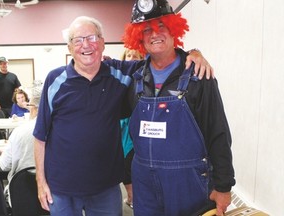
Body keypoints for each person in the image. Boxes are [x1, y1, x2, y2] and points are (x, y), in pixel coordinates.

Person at [33, 16, 213, 216]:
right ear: (69, 47)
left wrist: (193, 53)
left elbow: (162, 58)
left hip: (106, 188)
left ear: (102, 43)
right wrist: (41, 182)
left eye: (92, 38)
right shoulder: (55, 80)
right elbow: (40, 136)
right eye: (78, 40)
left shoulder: (122, 73)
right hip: (61, 188)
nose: (86, 45)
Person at [122, 1, 236, 216]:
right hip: (144, 182)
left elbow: (218, 132)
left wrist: (224, 186)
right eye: (146, 30)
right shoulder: (135, 77)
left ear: (174, 29)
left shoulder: (199, 75)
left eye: (162, 26)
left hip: (188, 182)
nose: (155, 34)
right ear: (138, 37)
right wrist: (127, 177)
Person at [0, 84, 42, 207]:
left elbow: (4, 165)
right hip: (55, 198)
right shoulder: (61, 130)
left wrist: (5, 153)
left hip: (22, 197)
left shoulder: (19, 132)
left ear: (34, 107)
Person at [120, 48, 144, 209]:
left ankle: (134, 198)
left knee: (132, 166)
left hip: (138, 127)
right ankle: (131, 197)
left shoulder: (145, 76)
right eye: (128, 55)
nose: (131, 58)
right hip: (121, 127)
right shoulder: (119, 75)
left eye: (136, 56)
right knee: (124, 166)